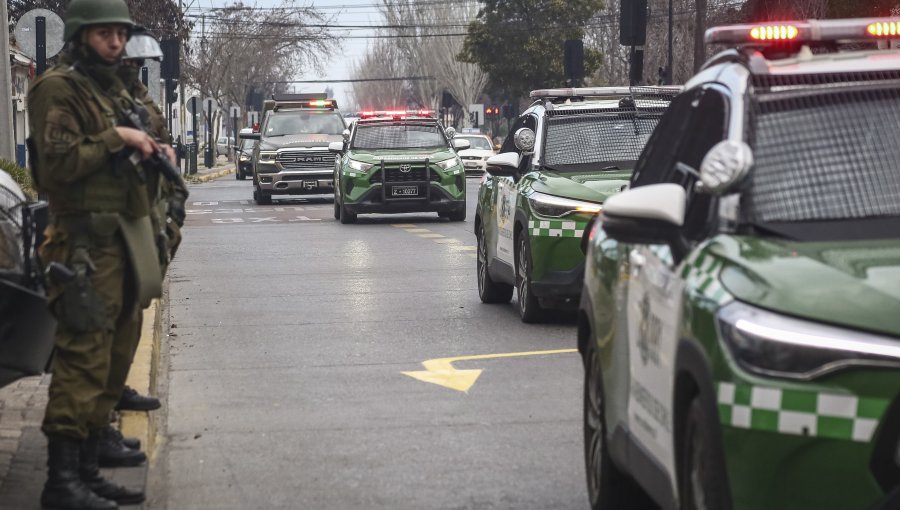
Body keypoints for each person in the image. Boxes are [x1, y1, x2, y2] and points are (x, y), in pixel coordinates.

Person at [27, 0, 168, 507]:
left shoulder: (111, 88)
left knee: (113, 352)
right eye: (104, 34)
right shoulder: (59, 88)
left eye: (119, 34)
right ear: (82, 35)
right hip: (83, 244)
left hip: (121, 240)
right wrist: (117, 137)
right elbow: (60, 164)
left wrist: (151, 145)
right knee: (83, 359)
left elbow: (145, 130)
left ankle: (87, 467)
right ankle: (62, 482)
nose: (114, 43)